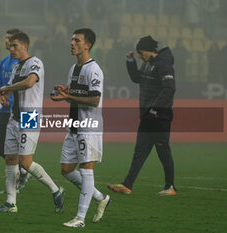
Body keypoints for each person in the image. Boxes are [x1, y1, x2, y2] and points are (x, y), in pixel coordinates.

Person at [0, 32, 65, 213]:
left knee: (25, 162)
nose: (11, 48)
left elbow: (30, 83)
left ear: (25, 45)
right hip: (14, 117)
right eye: (10, 45)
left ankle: (56, 190)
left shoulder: (35, 63)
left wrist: (8, 88)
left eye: (15, 45)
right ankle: (10, 203)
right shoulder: (16, 67)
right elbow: (7, 92)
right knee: (10, 159)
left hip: (30, 116)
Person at [51, 28, 111, 228]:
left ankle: (80, 218)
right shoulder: (73, 68)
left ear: (88, 45)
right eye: (71, 40)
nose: (72, 43)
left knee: (86, 171)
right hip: (74, 126)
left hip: (89, 128)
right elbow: (73, 92)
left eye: (77, 40)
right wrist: (64, 92)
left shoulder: (94, 69)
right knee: (66, 170)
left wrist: (69, 96)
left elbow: (94, 100)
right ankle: (101, 197)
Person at [107, 35, 176, 196]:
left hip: (160, 117)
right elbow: (137, 79)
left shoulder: (164, 65)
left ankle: (170, 187)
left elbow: (169, 89)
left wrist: (155, 109)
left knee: (163, 150)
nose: (139, 56)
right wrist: (131, 63)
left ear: (148, 51)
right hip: (147, 116)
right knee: (140, 151)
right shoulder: (147, 64)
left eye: (139, 53)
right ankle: (127, 185)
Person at [0, 28, 30, 193]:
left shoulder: (26, 64)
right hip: (6, 111)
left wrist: (8, 101)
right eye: (6, 38)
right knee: (0, 147)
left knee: (22, 153)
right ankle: (23, 172)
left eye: (11, 39)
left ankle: (18, 181)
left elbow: (24, 87)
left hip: (24, 112)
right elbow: (0, 83)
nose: (7, 42)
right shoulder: (4, 62)